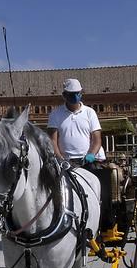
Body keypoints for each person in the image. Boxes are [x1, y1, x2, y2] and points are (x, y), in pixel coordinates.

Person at [48, 78, 114, 231]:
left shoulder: (90, 112)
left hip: (89, 160)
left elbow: (97, 139)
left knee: (103, 191)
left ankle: (104, 225)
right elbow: (52, 140)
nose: (75, 97)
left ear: (81, 94)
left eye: (77, 93)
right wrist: (60, 158)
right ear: (64, 95)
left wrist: (91, 154)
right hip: (67, 162)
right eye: (71, 94)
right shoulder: (56, 114)